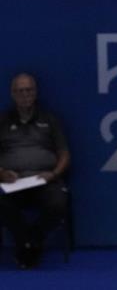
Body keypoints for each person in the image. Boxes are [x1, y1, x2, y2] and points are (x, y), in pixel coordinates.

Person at [0, 73, 70, 269]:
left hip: (45, 181)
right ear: (13, 94)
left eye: (29, 90)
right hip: (12, 182)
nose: (25, 94)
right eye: (20, 91)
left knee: (58, 203)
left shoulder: (49, 119)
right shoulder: (3, 120)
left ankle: (32, 240)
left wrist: (54, 174)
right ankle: (26, 242)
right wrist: (1, 172)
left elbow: (64, 154)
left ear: (35, 92)